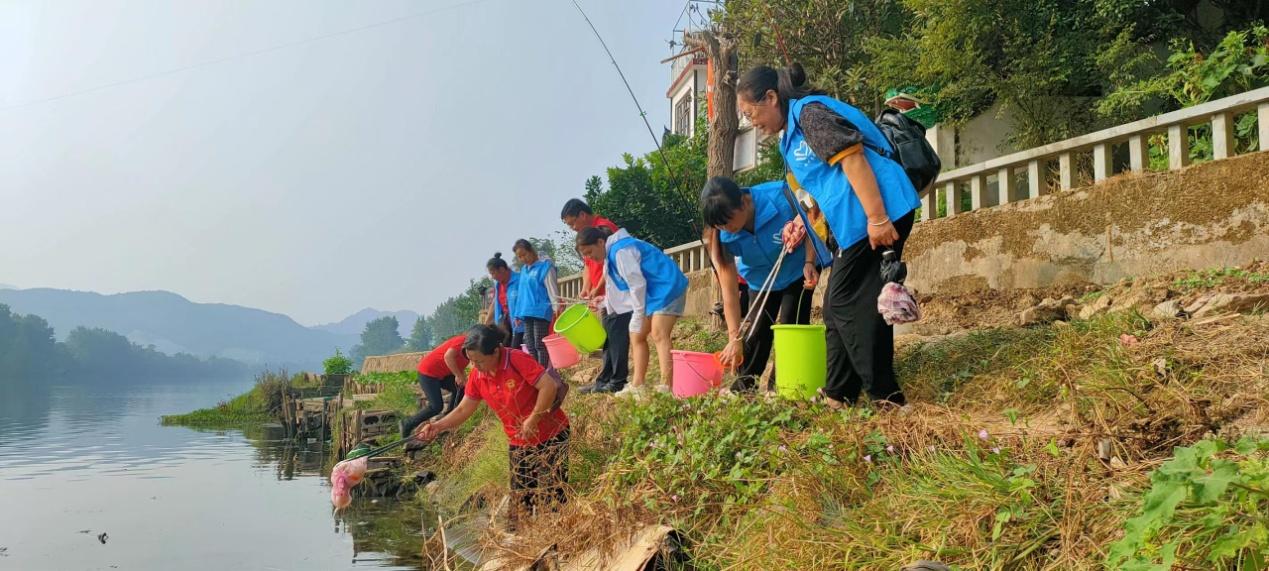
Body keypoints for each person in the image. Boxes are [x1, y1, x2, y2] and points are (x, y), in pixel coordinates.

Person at [737, 63, 921, 408]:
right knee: (838, 309)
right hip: (855, 223)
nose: (751, 123)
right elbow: (824, 185)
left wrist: (878, 218)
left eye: (750, 113)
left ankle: (887, 397)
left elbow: (853, 160)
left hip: (880, 212)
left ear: (772, 97)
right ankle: (840, 393)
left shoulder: (810, 115)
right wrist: (804, 221)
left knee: (848, 304)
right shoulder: (790, 136)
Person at [414, 325, 570, 530]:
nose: (475, 366)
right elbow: (462, 410)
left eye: (479, 361)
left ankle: (558, 541)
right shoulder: (478, 376)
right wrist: (436, 426)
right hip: (519, 442)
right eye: (471, 361)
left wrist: (533, 418)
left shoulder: (516, 360)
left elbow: (547, 386)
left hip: (552, 435)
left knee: (554, 495)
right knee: (521, 503)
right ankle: (524, 545)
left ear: (496, 351)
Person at [701, 177, 830, 391]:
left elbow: (810, 220)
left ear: (744, 202)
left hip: (797, 270)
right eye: (720, 225)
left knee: (792, 324)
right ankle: (744, 386)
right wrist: (734, 338)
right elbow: (730, 294)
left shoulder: (781, 196)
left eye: (728, 221)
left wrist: (809, 261)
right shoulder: (722, 236)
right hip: (759, 280)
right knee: (757, 330)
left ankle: (786, 384)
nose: (726, 229)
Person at [576, 227, 687, 395]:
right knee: (637, 335)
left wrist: (638, 313)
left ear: (600, 242)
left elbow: (637, 285)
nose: (590, 257)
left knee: (658, 333)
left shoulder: (621, 251)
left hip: (667, 286)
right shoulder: (610, 257)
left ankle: (666, 386)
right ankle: (638, 385)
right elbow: (625, 289)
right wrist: (604, 302)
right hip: (652, 293)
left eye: (590, 252)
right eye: (586, 255)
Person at [401, 334, 469, 439]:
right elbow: (448, 357)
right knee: (436, 406)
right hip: (428, 372)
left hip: (443, 374)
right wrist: (458, 375)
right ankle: (408, 424)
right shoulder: (462, 341)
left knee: (461, 388)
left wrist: (463, 379)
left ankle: (449, 417)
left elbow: (460, 368)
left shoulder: (469, 353)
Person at [512, 239, 561, 367]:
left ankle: (544, 372)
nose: (523, 258)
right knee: (530, 345)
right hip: (526, 311)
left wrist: (557, 308)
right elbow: (521, 293)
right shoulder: (524, 270)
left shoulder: (545, 267)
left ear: (531, 251)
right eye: (520, 256)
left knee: (540, 343)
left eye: (525, 254)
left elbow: (552, 289)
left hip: (541, 311)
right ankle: (536, 372)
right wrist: (517, 314)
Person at [560, 198, 620, 300]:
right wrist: (585, 288)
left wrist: (597, 288)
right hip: (601, 297)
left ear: (582, 215)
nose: (573, 228)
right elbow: (588, 264)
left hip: (614, 294)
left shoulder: (604, 228)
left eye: (572, 223)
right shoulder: (586, 236)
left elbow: (612, 264)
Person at [485, 252, 524, 348]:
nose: (492, 276)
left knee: (517, 348)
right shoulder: (498, 285)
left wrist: (520, 316)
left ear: (502, 269)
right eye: (491, 274)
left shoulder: (520, 280)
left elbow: (525, 300)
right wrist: (489, 322)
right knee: (505, 348)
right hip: (505, 322)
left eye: (493, 273)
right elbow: (496, 304)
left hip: (520, 322)